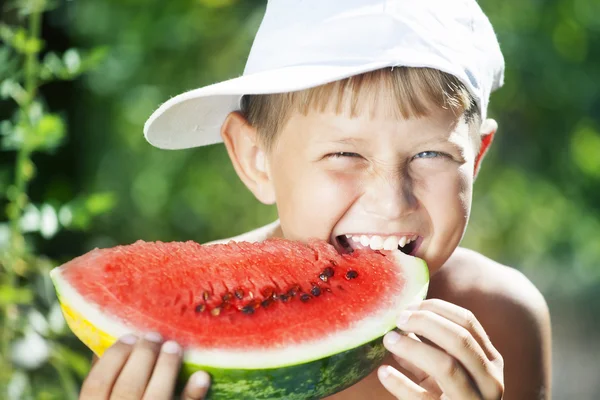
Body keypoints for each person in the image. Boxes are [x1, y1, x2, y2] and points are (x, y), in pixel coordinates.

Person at [81, 0, 552, 399]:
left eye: (431, 153)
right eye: (344, 153)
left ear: (476, 160)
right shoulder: (167, 339)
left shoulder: (505, 321)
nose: (391, 201)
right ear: (256, 159)